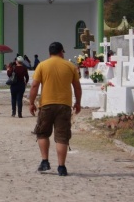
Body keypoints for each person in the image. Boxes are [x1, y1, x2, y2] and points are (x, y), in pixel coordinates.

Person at [29, 41, 82, 177]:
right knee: (62, 137)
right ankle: (62, 167)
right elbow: (77, 87)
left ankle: (45, 161)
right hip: (64, 105)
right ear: (61, 52)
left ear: (49, 53)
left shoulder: (42, 65)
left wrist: (31, 103)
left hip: (46, 104)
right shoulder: (70, 66)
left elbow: (34, 86)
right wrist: (78, 103)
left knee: (42, 133)